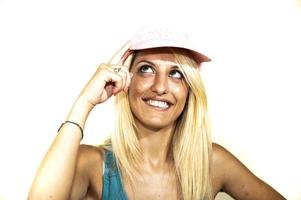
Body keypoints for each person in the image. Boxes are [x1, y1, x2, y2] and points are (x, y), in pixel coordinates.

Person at [28, 27, 286, 200]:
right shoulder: (92, 164)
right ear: (126, 83)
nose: (160, 87)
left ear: (189, 91)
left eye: (176, 74)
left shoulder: (212, 162)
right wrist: (84, 102)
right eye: (146, 69)